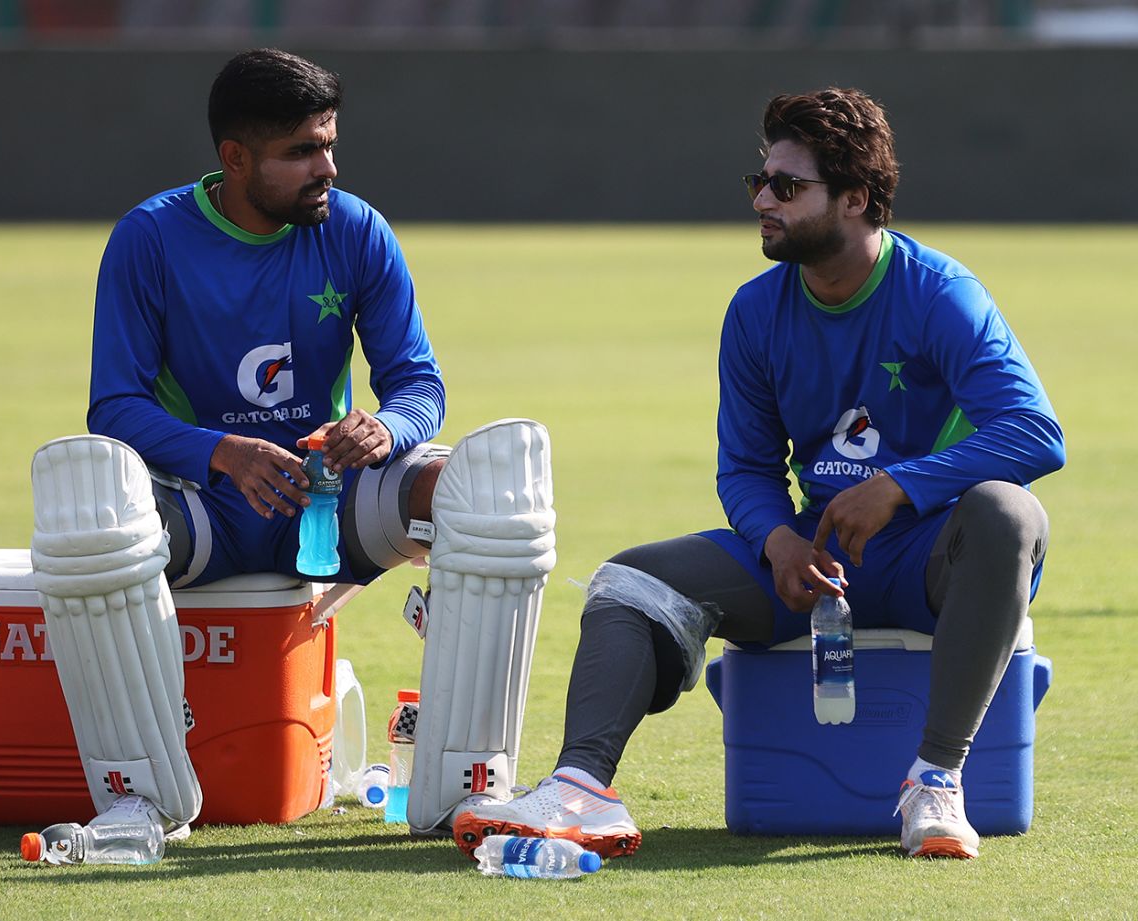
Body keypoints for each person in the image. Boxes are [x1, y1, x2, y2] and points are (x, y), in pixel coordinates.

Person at [453, 87, 1065, 862]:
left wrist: (902, 487)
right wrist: (777, 539)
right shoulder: (754, 311)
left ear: (855, 198)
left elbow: (1036, 431)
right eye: (759, 182)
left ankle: (935, 781)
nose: (762, 201)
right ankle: (582, 788)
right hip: (817, 556)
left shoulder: (941, 293)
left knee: (1010, 515)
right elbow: (745, 466)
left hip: (927, 555)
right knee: (627, 583)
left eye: (787, 186)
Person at [27, 49, 556, 850]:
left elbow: (417, 381)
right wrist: (221, 452)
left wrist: (389, 427)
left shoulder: (355, 228)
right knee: (91, 519)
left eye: (330, 145)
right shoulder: (150, 238)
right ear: (235, 158)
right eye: (302, 152)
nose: (327, 169)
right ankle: (137, 801)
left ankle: (463, 792)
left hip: (326, 498)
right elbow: (115, 407)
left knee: (485, 486)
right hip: (201, 504)